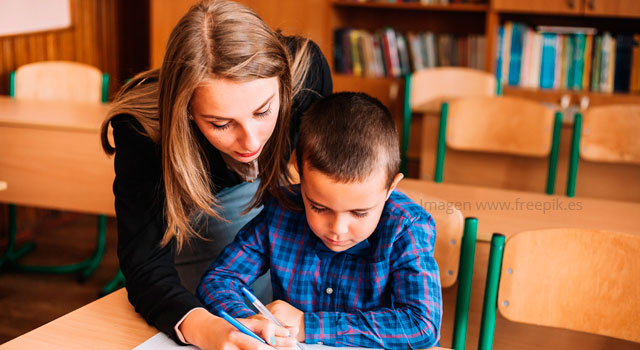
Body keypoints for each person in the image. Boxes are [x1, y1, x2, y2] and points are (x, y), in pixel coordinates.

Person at [99, 0, 332, 348]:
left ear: (283, 84)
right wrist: (208, 329)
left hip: (274, 226)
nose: (251, 141)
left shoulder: (306, 74)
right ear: (186, 109)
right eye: (221, 124)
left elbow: (332, 180)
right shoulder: (144, 130)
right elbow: (146, 264)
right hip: (198, 239)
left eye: (263, 111)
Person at [197, 92, 442, 349]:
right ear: (299, 171)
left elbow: (422, 324)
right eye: (319, 207)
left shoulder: (406, 228)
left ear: (391, 187)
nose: (337, 229)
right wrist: (252, 321)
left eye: (359, 213)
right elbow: (218, 280)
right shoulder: (283, 210)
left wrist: (307, 325)